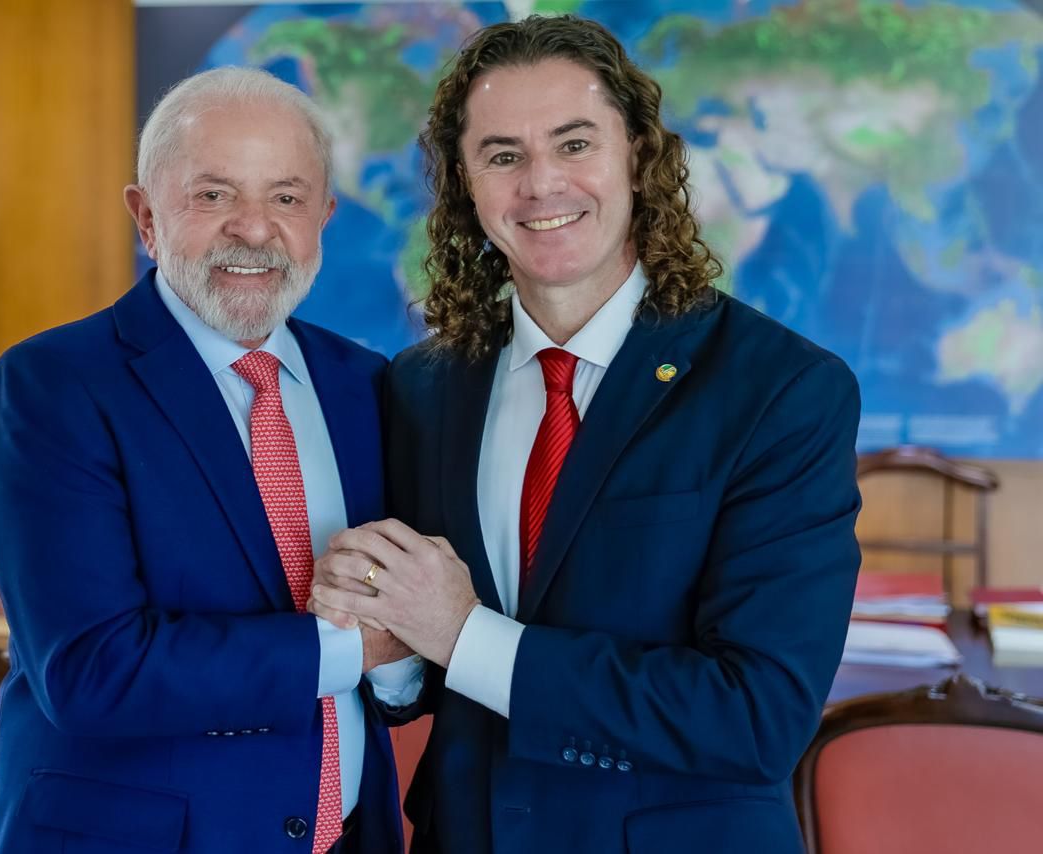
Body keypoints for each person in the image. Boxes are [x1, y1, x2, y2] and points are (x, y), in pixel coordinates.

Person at [309, 16, 862, 853]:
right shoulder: (422, 387)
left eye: (574, 144)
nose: (541, 184)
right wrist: (386, 637)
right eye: (502, 156)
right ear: (465, 185)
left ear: (638, 154)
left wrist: (464, 634)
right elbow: (418, 681)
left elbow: (757, 718)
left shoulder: (782, 391)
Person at [0, 66, 422, 854]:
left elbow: (401, 643)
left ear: (324, 217)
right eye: (213, 195)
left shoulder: (366, 384)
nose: (254, 229)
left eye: (286, 198)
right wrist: (360, 648)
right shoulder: (54, 385)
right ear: (146, 218)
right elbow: (92, 672)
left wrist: (402, 656)